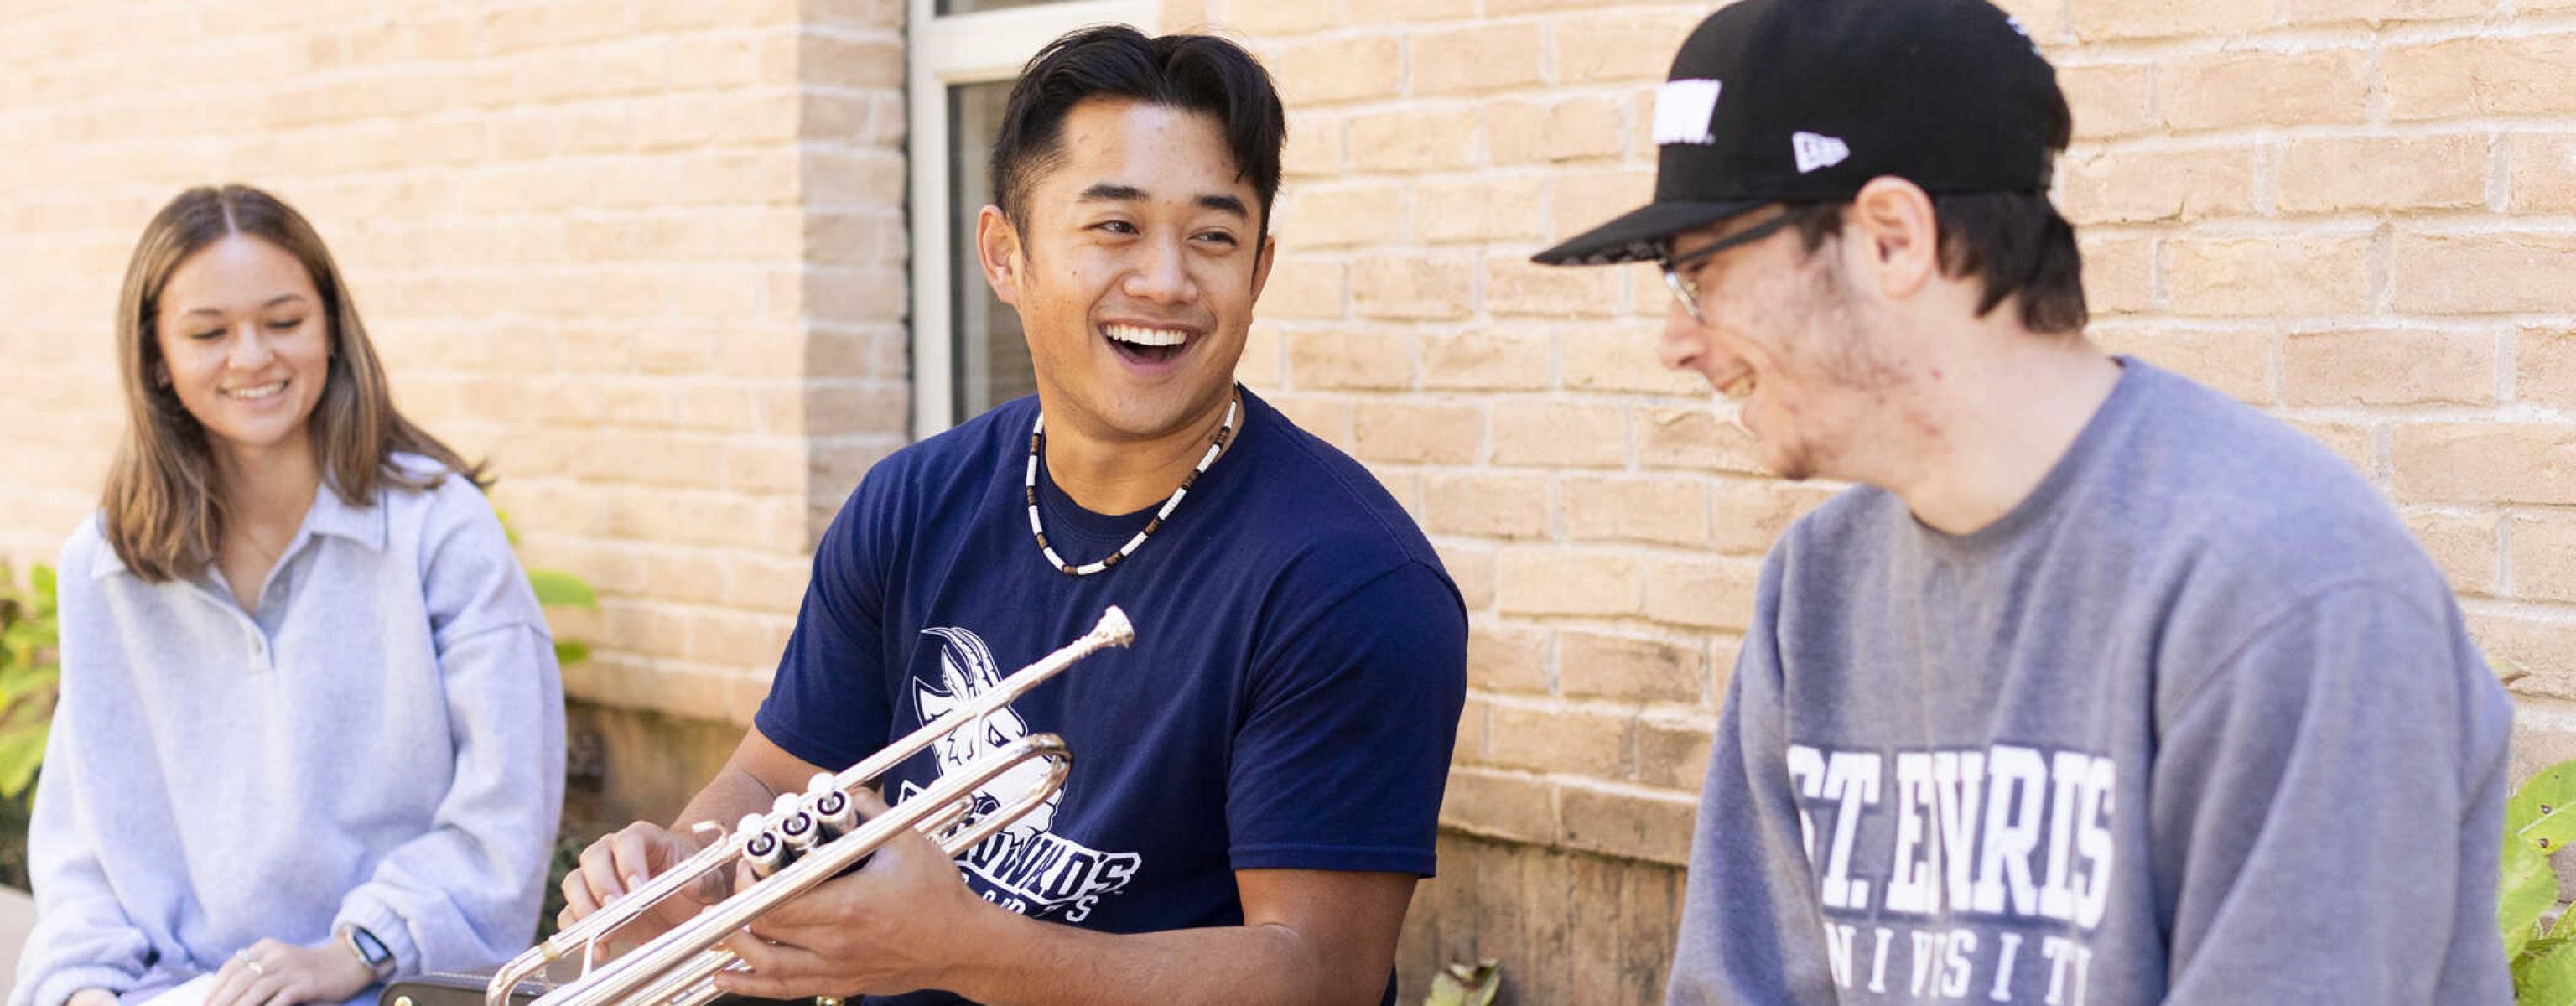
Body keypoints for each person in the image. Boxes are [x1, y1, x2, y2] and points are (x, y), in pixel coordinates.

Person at [1534, 0, 2513, 1003]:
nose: (1675, 340)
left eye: (1698, 274)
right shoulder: (1817, 590)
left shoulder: (2288, 588)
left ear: (1890, 238)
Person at [555, 25, 1467, 1006]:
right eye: (1115, 228)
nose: (1166, 281)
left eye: (1213, 236)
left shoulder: (1349, 581)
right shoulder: (913, 503)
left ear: (1260, 269)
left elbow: (1317, 977)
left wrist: (966, 952)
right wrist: (685, 873)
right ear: (1004, 254)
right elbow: (772, 781)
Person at [12, 184, 567, 1006]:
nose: (252, 358)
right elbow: (84, 851)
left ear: (332, 328)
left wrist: (350, 955)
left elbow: (503, 817)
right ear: (157, 356)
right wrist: (83, 991)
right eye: (209, 333)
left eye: (283, 322)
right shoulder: (107, 565)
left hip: (392, 982)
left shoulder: (439, 528)